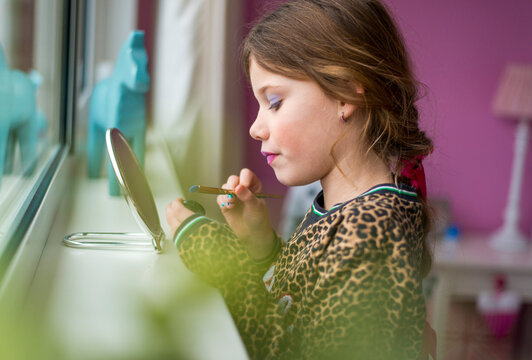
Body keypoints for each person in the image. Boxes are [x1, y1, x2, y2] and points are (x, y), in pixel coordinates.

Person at [166, 0, 436, 358]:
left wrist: (224, 267)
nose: (255, 128)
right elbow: (302, 308)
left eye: (274, 101)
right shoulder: (348, 210)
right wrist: (262, 247)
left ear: (345, 91)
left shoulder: (371, 233)